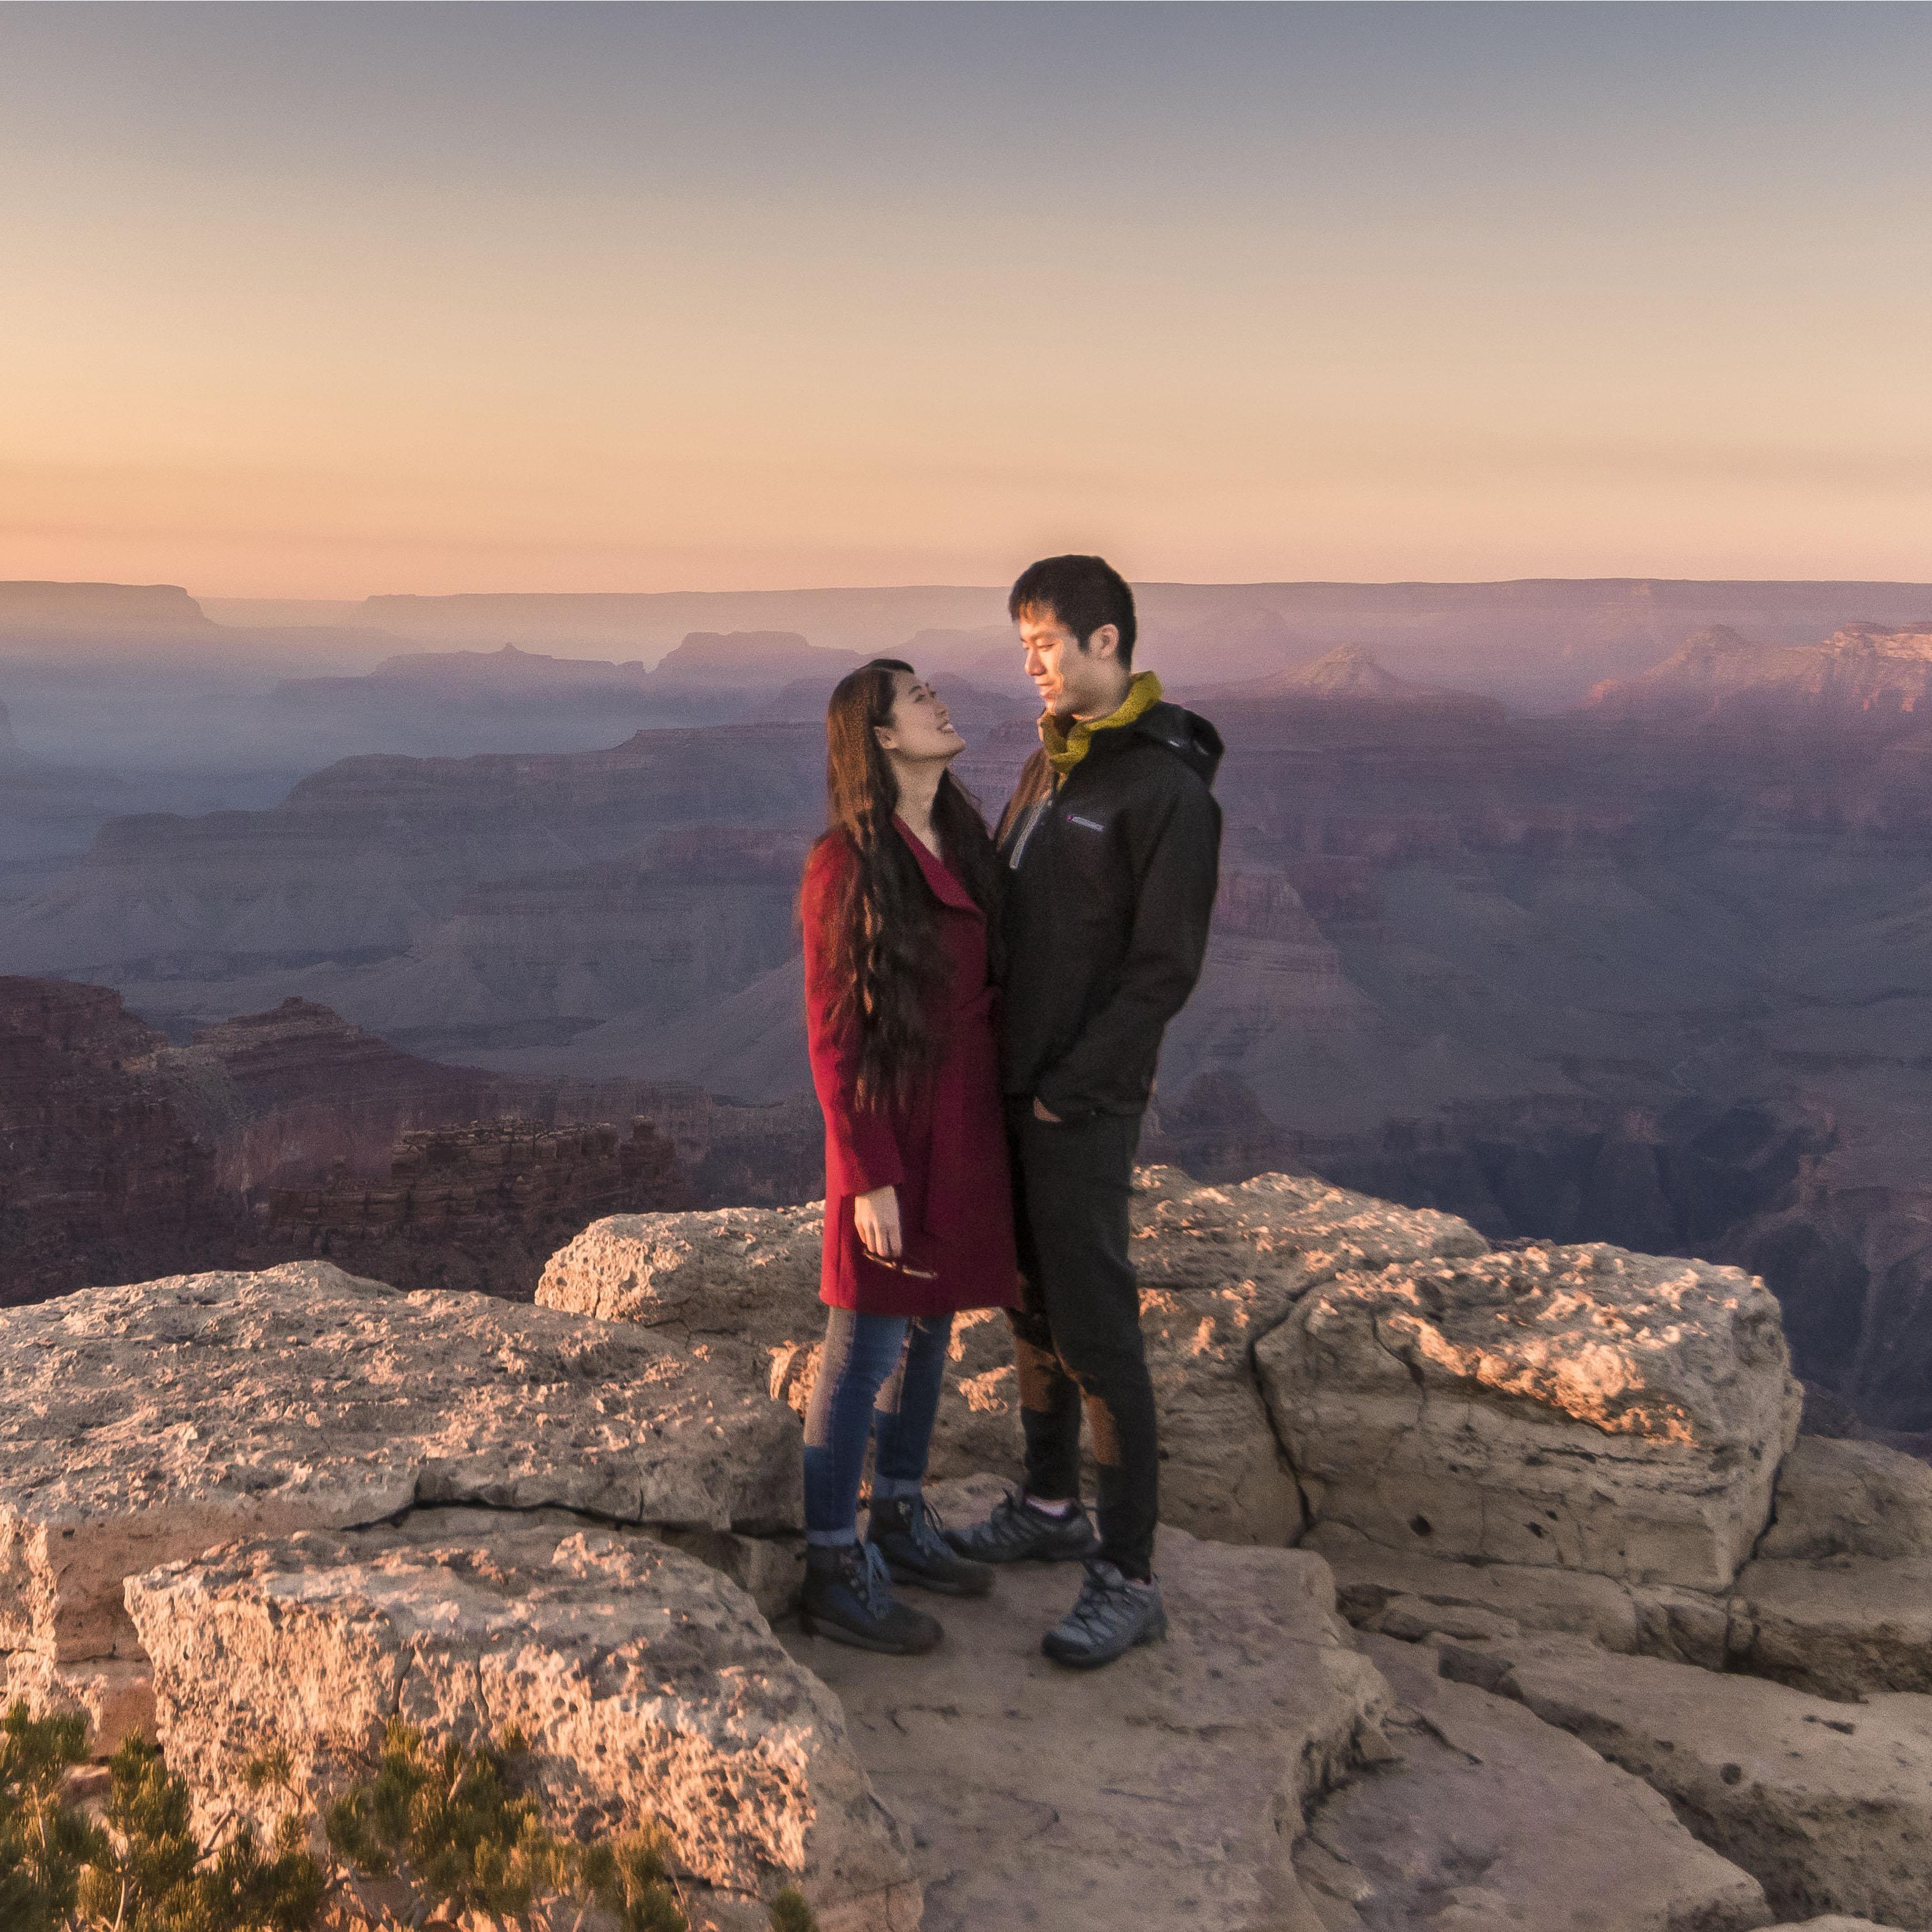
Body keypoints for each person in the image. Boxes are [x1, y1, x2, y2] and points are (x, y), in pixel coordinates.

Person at [946, 555, 1222, 1669]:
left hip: (1080, 1105)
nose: (1033, 665)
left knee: (1100, 1331)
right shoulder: (1048, 767)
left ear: (1108, 642)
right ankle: (1051, 1508)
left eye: (1047, 644)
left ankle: (1129, 1573)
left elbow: (1165, 971)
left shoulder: (1163, 792)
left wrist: (1072, 1091)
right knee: (1029, 1307)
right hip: (1011, 1090)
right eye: (1024, 646)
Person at [795, 657, 1019, 1653]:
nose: (939, 703)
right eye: (917, 699)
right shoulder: (847, 863)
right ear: (883, 738)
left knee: (931, 1327)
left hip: (961, 1125)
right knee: (864, 1345)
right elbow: (833, 1035)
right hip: (895, 1127)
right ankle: (832, 1564)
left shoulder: (963, 838)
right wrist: (867, 1174)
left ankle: (899, 1511)